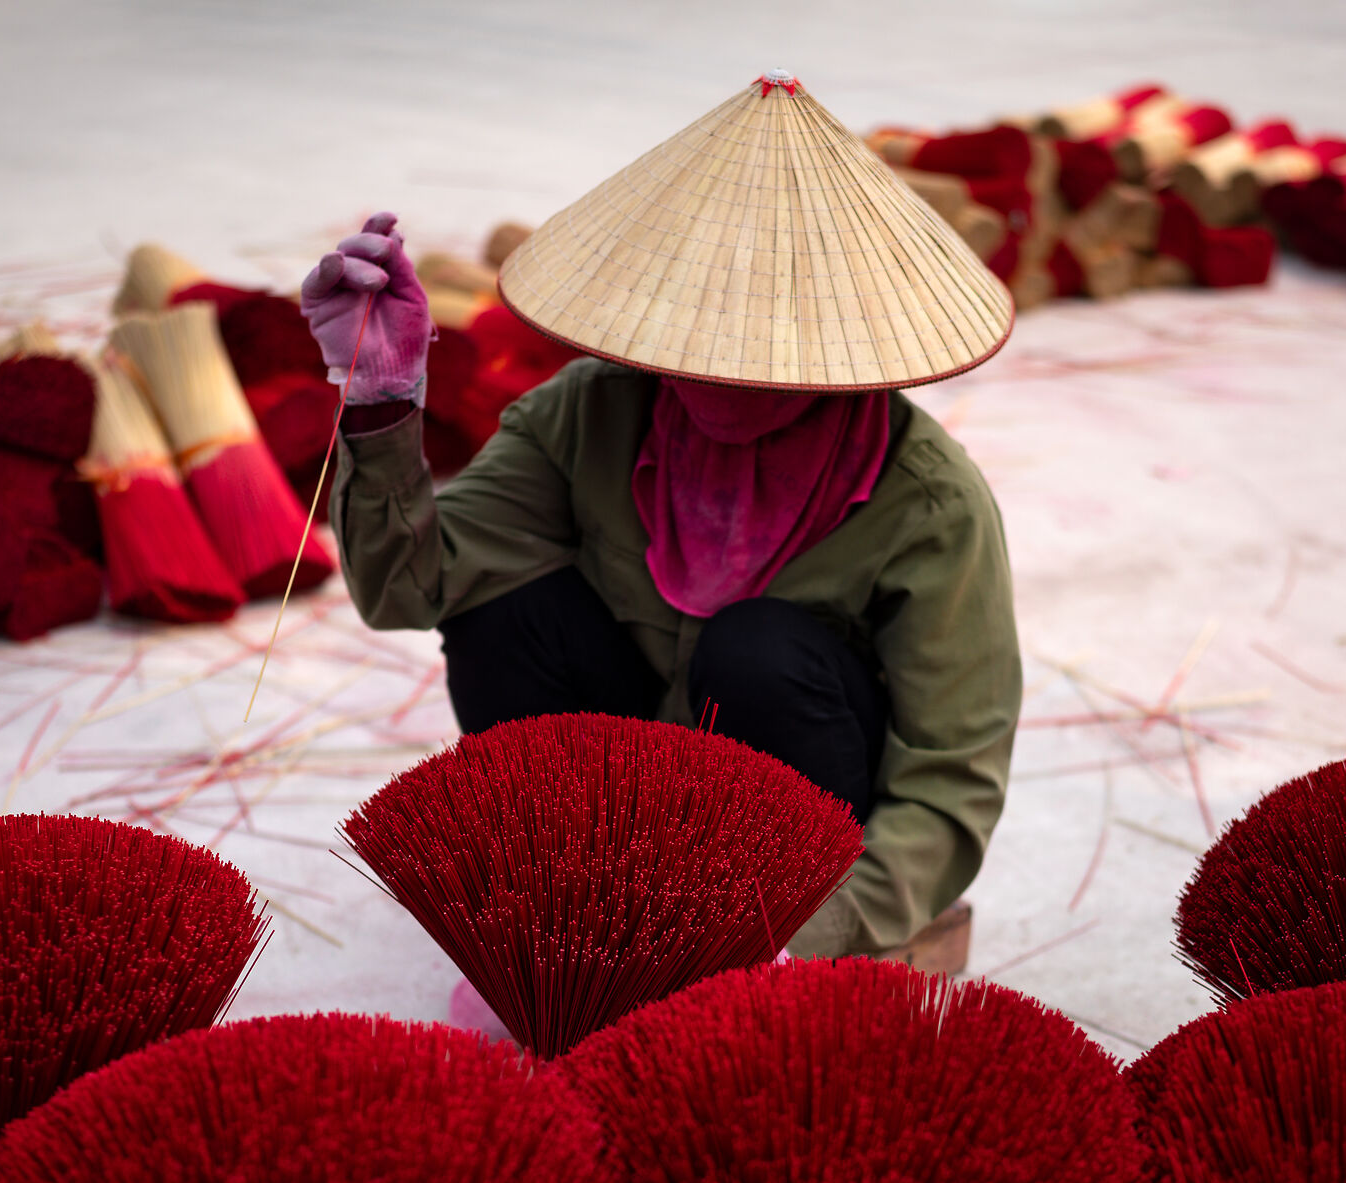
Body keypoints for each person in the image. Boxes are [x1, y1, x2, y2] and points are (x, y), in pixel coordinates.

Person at [303, 74, 1020, 958]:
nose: (719, 377)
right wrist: (382, 401)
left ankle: (760, 925)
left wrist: (813, 931)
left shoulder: (929, 502)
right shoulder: (587, 413)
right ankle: (576, 904)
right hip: (625, 791)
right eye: (701, 343)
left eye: (762, 354)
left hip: (805, 836)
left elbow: (950, 784)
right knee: (501, 611)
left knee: (757, 650)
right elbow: (414, 591)